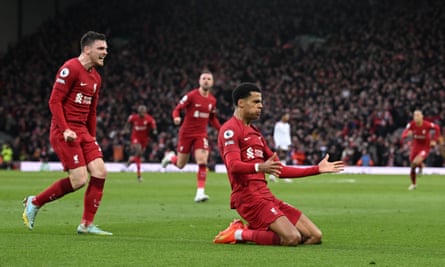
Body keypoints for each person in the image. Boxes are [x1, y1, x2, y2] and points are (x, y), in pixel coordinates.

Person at [214, 83, 344, 246]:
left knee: (314, 236)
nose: (260, 106)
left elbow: (279, 170)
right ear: (241, 103)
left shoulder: (256, 134)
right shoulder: (230, 130)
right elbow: (233, 165)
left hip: (266, 196)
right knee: (292, 238)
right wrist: (259, 167)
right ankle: (238, 233)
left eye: (261, 102)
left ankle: (259, 231)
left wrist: (317, 169)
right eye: (256, 102)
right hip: (248, 198)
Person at [22, 31, 112, 235]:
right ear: (87, 49)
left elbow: (92, 110)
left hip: (83, 131)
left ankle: (87, 224)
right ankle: (34, 202)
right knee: (79, 180)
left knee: (100, 171)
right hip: (64, 130)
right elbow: (54, 101)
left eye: (106, 48)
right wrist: (66, 129)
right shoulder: (70, 69)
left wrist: (92, 136)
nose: (106, 52)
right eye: (101, 48)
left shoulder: (96, 78)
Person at [161, 71, 221, 202]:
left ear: (212, 82)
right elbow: (177, 109)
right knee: (180, 164)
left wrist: (221, 130)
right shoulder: (191, 96)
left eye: (209, 79)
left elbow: (212, 119)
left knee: (202, 161)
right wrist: (176, 117)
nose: (206, 81)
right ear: (199, 81)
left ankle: (200, 193)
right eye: (204, 78)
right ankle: (170, 157)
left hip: (201, 135)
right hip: (186, 134)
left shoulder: (212, 100)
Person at [401, 109, 441, 190]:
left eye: (418, 115)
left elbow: (437, 128)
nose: (416, 117)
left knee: (415, 162)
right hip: (415, 147)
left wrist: (434, 140)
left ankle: (420, 165)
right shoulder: (411, 124)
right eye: (415, 115)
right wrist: (406, 135)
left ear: (422, 117)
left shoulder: (427, 124)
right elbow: (404, 133)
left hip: (425, 147)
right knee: (412, 166)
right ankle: (413, 184)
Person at [121, 105, 157, 182]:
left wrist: (154, 130)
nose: (142, 114)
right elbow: (128, 123)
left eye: (144, 112)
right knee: (138, 151)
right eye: (141, 112)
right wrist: (125, 129)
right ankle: (138, 175)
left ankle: (132, 162)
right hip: (135, 138)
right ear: (138, 112)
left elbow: (153, 125)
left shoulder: (149, 119)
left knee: (139, 156)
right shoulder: (133, 117)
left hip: (144, 139)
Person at [269, 112, 292, 183]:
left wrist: (289, 144)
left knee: (281, 160)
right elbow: (276, 135)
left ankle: (272, 176)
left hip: (285, 145)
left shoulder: (288, 125)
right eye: (287, 116)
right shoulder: (278, 125)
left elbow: (288, 135)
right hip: (280, 145)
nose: (288, 118)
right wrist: (278, 145)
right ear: (283, 116)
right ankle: (284, 176)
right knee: (280, 160)